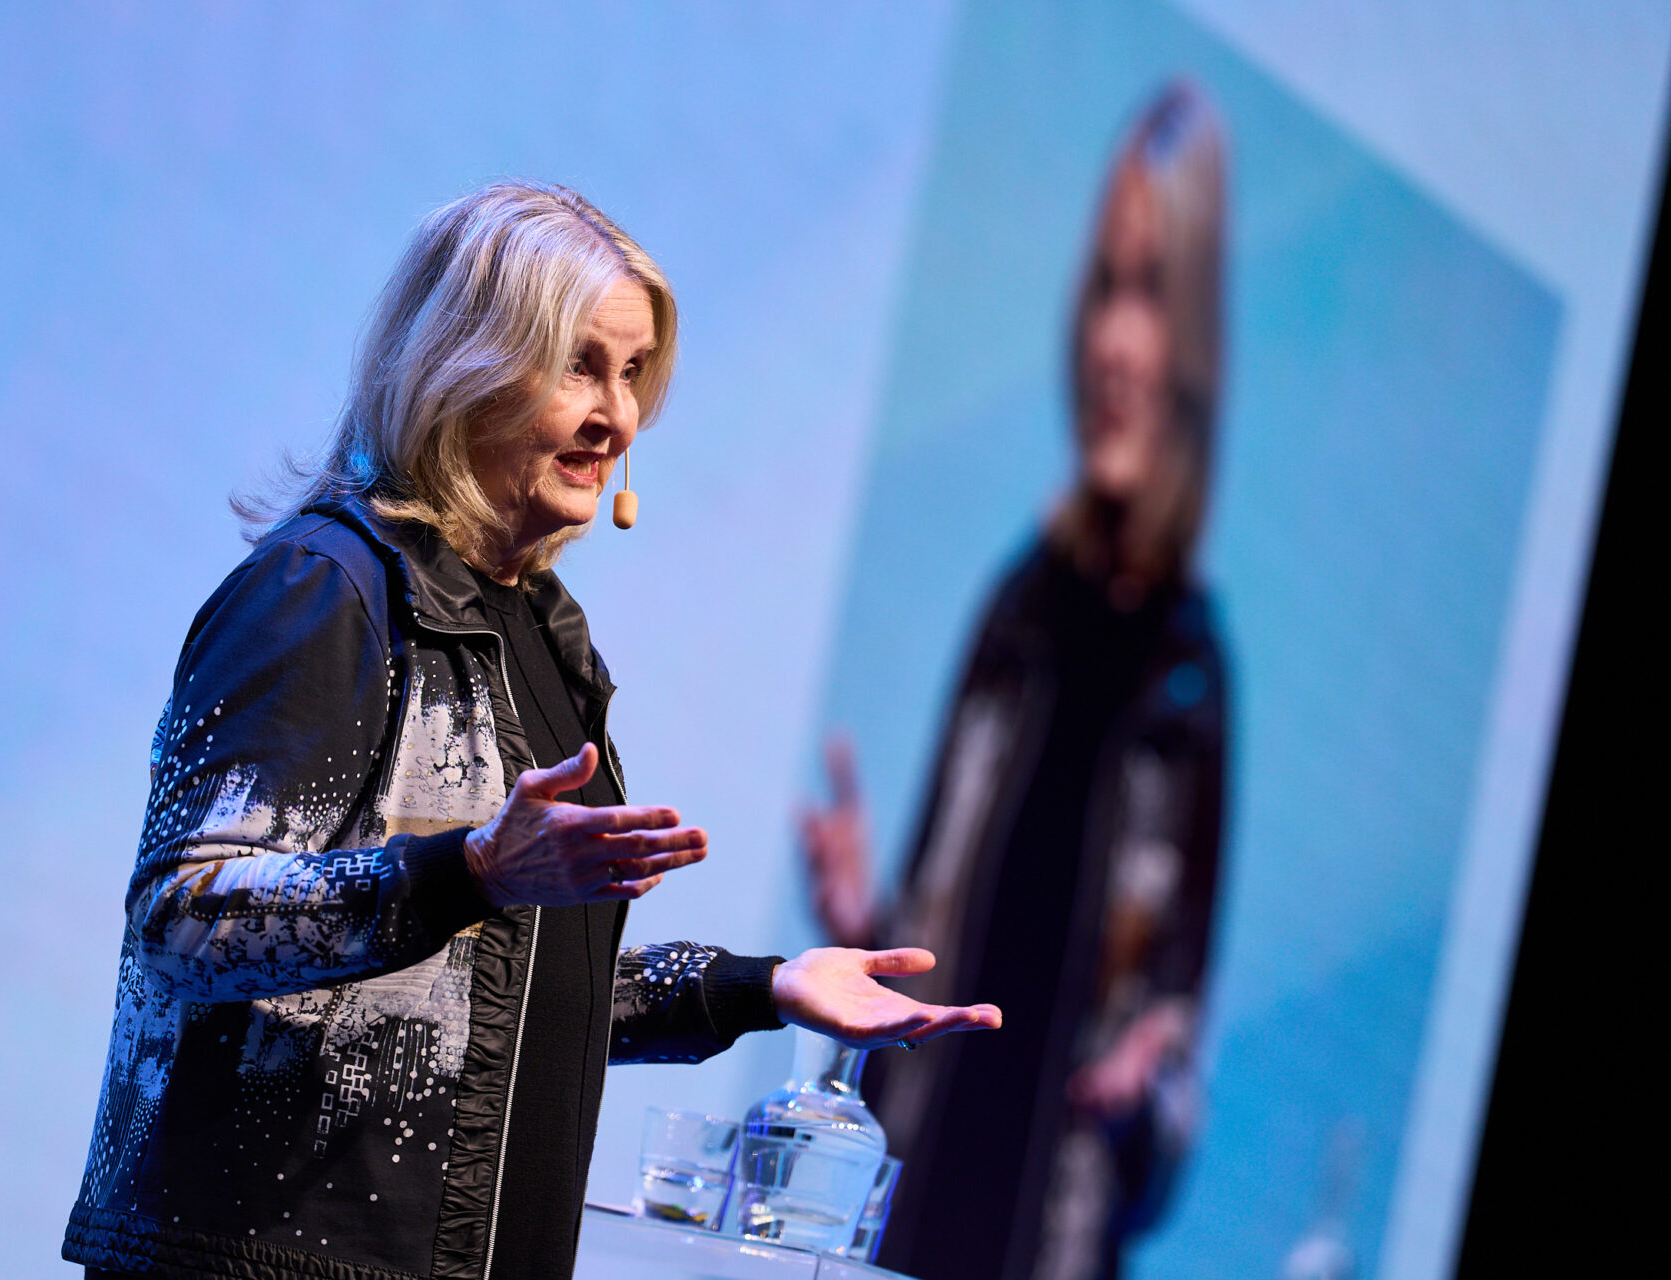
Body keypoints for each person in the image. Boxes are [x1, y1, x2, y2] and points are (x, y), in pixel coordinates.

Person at [61, 180, 1000, 1280]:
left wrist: (763, 986)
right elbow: (182, 918)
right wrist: (466, 871)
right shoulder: (327, 592)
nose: (622, 415)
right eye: (581, 367)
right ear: (469, 369)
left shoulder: (541, 636)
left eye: (635, 372)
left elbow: (498, 983)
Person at [802, 83, 1229, 1280]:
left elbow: (1174, 1053)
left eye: (1148, 291)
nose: (1112, 338)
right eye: (1103, 285)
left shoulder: (1193, 678)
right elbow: (938, 945)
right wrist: (861, 933)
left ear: (1195, 344)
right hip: (916, 1205)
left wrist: (1146, 1071)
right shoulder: (1019, 608)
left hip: (1054, 1237)